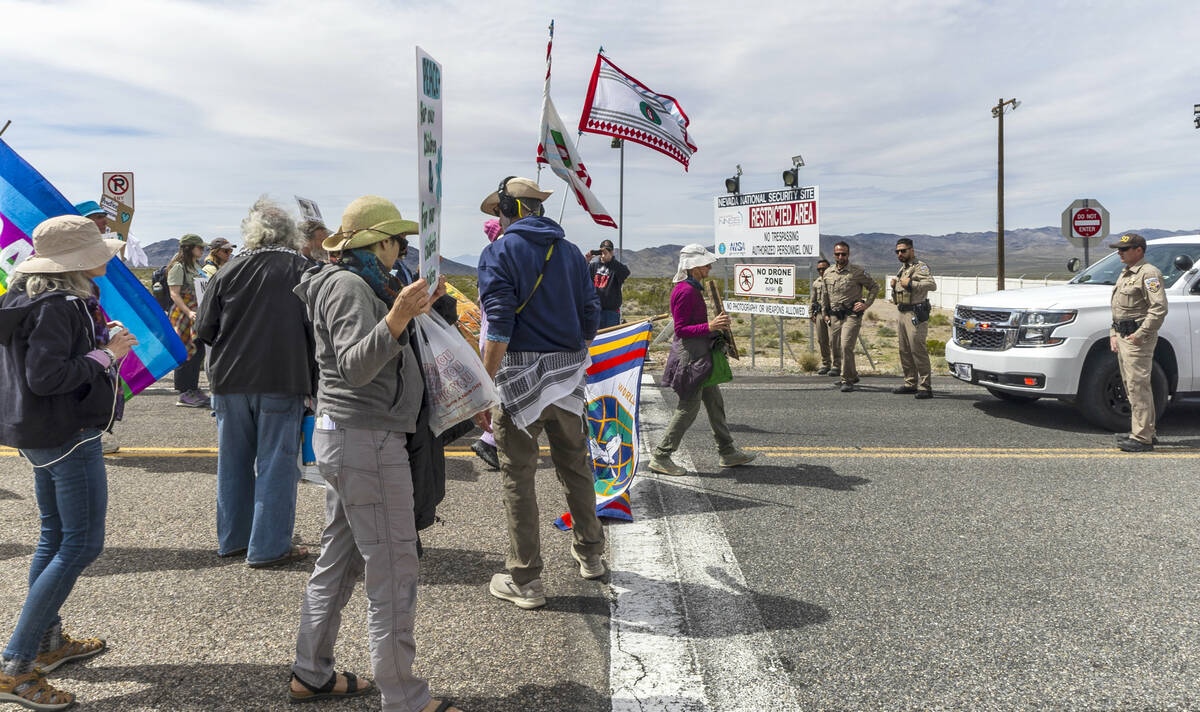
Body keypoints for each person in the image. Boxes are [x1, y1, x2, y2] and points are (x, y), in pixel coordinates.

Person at [291, 195, 461, 712]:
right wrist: (399, 315)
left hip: (353, 438)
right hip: (365, 440)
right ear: (378, 242)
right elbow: (354, 365)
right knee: (392, 566)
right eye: (396, 240)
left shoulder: (358, 281)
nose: (402, 248)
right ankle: (404, 696)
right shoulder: (347, 285)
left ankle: (311, 672)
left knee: (340, 559)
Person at [0, 216, 138, 711]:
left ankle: (47, 642)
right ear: (76, 263)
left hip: (38, 433)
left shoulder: (25, 298)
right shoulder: (65, 306)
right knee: (81, 543)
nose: (109, 255)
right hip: (68, 433)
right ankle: (14, 666)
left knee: (54, 536)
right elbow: (47, 375)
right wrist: (107, 354)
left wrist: (101, 345)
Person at [477, 176, 606, 610]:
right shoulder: (571, 252)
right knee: (575, 465)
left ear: (510, 210)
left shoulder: (499, 252)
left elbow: (498, 325)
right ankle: (591, 554)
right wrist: (570, 352)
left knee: (519, 476)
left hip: (518, 378)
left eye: (499, 209)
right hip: (567, 378)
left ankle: (526, 579)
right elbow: (591, 313)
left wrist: (482, 383)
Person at [195, 199, 314, 568]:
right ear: (291, 233)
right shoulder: (304, 270)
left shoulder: (227, 271)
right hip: (283, 378)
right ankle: (267, 547)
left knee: (233, 464)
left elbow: (204, 330)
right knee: (276, 465)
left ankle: (232, 540)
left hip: (230, 381)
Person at [650, 244, 756, 476]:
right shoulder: (686, 291)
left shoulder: (691, 288)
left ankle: (727, 452)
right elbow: (680, 329)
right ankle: (661, 455)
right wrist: (709, 326)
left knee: (715, 404)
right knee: (688, 408)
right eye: (705, 263)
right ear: (694, 266)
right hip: (691, 359)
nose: (709, 267)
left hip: (700, 356)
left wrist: (713, 331)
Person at [1108, 233, 1168, 453]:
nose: (1119, 253)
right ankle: (1144, 431)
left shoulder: (1149, 274)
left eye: (1125, 249)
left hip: (1137, 339)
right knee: (1131, 386)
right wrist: (1113, 333)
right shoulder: (1126, 273)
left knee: (1137, 386)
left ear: (1139, 250)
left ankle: (1142, 438)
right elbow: (1118, 309)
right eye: (1119, 249)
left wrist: (1141, 334)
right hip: (1124, 336)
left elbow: (1159, 308)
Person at [821, 241, 877, 393]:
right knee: (836, 346)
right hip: (834, 316)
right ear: (834, 255)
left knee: (846, 346)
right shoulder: (828, 272)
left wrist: (866, 304)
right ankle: (853, 374)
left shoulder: (857, 272)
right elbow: (824, 295)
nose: (841, 257)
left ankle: (846, 379)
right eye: (838, 254)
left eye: (843, 254)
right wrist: (824, 313)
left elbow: (874, 287)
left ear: (848, 254)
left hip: (851, 315)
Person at [471, 218, 504, 470]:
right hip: (496, 337)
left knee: (499, 392)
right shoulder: (500, 259)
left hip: (488, 335)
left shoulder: (488, 262)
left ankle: (491, 439)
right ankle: (489, 440)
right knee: (502, 394)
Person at [166, 234, 210, 408]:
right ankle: (184, 392)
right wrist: (188, 311)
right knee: (186, 351)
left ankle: (193, 388)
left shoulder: (197, 267)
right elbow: (174, 293)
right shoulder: (179, 267)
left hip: (196, 312)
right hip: (184, 313)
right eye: (199, 247)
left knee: (197, 351)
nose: (202, 250)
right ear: (189, 248)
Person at [890, 238, 937, 399]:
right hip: (902, 313)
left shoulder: (920, 267)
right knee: (904, 350)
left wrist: (911, 284)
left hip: (915, 314)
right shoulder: (902, 269)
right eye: (897, 251)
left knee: (918, 350)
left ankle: (925, 386)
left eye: (903, 250)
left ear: (912, 250)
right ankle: (910, 383)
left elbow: (931, 285)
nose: (900, 254)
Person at [588, 238, 630, 329]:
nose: (606, 253)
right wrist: (586, 261)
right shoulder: (593, 266)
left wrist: (611, 260)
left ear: (612, 252)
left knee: (610, 340)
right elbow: (580, 279)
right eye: (603, 251)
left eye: (609, 250)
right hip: (594, 311)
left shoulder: (616, 267)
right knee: (594, 340)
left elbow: (626, 273)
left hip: (611, 313)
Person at [810, 258, 835, 375]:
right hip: (820, 314)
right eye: (819, 269)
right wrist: (811, 313)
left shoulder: (835, 280)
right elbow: (812, 299)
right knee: (822, 340)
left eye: (823, 269)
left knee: (834, 340)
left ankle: (837, 365)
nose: (821, 271)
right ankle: (826, 364)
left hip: (833, 314)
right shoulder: (816, 283)